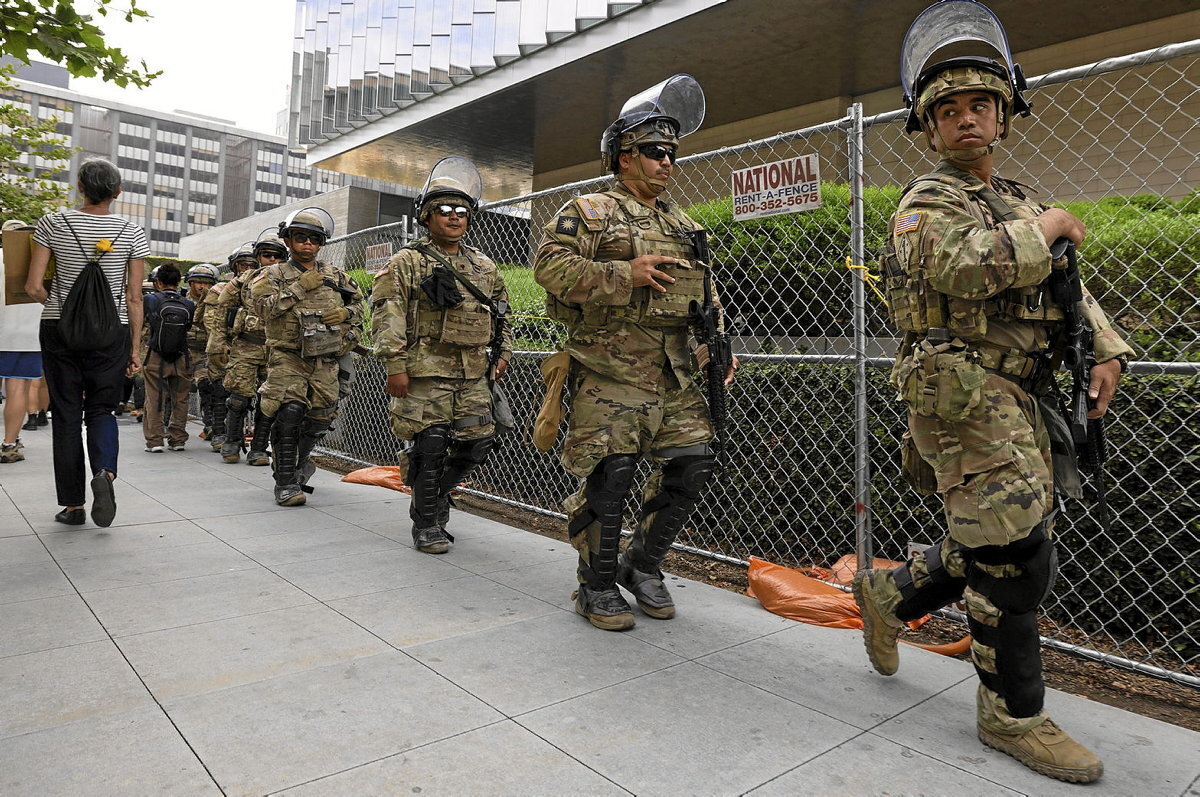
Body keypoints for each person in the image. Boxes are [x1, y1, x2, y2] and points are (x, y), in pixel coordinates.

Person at [853, 0, 1134, 784]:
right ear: (930, 127)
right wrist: (1046, 229)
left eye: (981, 104)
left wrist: (1107, 349)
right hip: (962, 393)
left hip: (1022, 391)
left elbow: (1069, 288)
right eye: (949, 110)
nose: (966, 119)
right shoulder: (925, 202)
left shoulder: (1013, 193)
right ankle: (1012, 714)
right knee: (1015, 554)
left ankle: (886, 593)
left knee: (1001, 533)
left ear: (1003, 116)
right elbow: (962, 267)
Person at [533, 74, 736, 631]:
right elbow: (547, 269)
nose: (666, 163)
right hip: (608, 367)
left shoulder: (685, 224)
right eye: (653, 152)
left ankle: (641, 565)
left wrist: (717, 345)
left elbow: (705, 292)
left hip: (675, 372)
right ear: (624, 158)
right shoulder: (591, 210)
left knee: (692, 465)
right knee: (613, 473)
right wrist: (624, 273)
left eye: (670, 153)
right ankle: (594, 586)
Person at [372, 157, 513, 554]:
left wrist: (503, 354)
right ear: (427, 217)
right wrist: (395, 366)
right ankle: (428, 523)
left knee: (477, 443)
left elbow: (503, 312)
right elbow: (388, 315)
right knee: (431, 443)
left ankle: (430, 496)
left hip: (473, 373)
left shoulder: (484, 266)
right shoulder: (406, 263)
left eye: (462, 211)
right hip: (423, 373)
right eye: (445, 210)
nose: (455, 217)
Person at [25, 158, 149, 527]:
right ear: (118, 191)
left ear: (80, 187)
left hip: (60, 329)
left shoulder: (53, 222)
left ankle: (73, 505)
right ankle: (105, 473)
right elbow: (135, 297)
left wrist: (65, 308)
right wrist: (135, 348)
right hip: (111, 332)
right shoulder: (132, 231)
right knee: (101, 410)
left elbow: (33, 285)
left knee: (65, 415)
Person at [250, 207, 363, 506]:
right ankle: (285, 483)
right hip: (288, 356)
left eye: (314, 239)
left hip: (325, 359)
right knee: (289, 413)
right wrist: (300, 287)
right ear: (288, 241)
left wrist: (345, 313)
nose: (307, 244)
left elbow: (361, 307)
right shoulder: (271, 275)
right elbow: (262, 309)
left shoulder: (336, 276)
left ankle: (296, 462)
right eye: (300, 237)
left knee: (319, 418)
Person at [214, 235, 284, 465]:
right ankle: (232, 442)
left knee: (270, 400)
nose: (271, 259)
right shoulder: (244, 281)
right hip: (246, 346)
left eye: (277, 256)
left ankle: (259, 449)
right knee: (238, 398)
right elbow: (222, 309)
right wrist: (218, 345)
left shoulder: (291, 281)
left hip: (276, 350)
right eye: (266, 255)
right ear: (258, 257)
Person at [1, 220, 44, 463]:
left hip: (2, 330)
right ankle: (9, 444)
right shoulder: (40, 264)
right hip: (26, 338)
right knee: (17, 390)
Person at [141, 263, 195, 453]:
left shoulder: (150, 299)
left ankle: (155, 441)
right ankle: (178, 439)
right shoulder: (188, 304)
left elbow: (143, 324)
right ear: (178, 282)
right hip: (182, 356)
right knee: (181, 399)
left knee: (155, 398)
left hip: (156, 355)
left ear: (158, 282)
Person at [183, 263, 220, 438]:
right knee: (175, 389)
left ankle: (210, 425)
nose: (202, 286)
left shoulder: (217, 303)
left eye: (207, 283)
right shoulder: (182, 302)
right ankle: (170, 425)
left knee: (206, 386)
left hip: (205, 353)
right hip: (184, 352)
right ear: (190, 283)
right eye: (197, 282)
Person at [201, 259, 234, 452]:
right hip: (222, 347)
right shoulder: (220, 290)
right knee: (219, 388)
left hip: (255, 347)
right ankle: (219, 432)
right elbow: (211, 322)